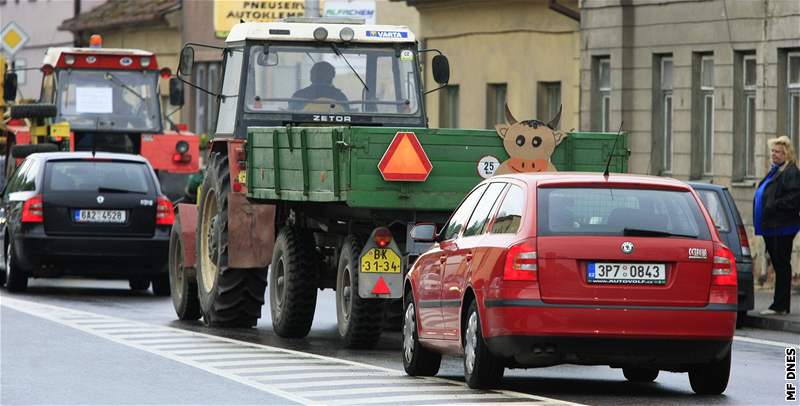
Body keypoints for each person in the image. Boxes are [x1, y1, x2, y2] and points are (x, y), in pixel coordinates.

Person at [753, 135, 800, 315]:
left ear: (787, 153)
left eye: (778, 152)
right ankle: (779, 304)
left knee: (781, 264)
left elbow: (793, 199)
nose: (774, 154)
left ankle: (780, 305)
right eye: (772, 151)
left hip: (782, 226)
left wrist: (772, 206)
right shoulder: (776, 170)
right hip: (772, 226)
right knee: (779, 263)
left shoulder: (791, 172)